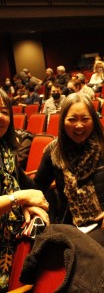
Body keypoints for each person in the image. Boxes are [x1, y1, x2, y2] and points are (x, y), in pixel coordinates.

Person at [33, 92, 104, 255]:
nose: (79, 125)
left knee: (75, 253)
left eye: (85, 119)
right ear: (63, 122)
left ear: (94, 120)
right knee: (44, 251)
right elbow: (37, 188)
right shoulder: (54, 152)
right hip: (72, 227)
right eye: (72, 119)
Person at [0, 89, 49, 291]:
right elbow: (23, 193)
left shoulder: (6, 151)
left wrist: (31, 204)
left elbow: (34, 192)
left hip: (13, 239)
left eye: (3, 111)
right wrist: (18, 198)